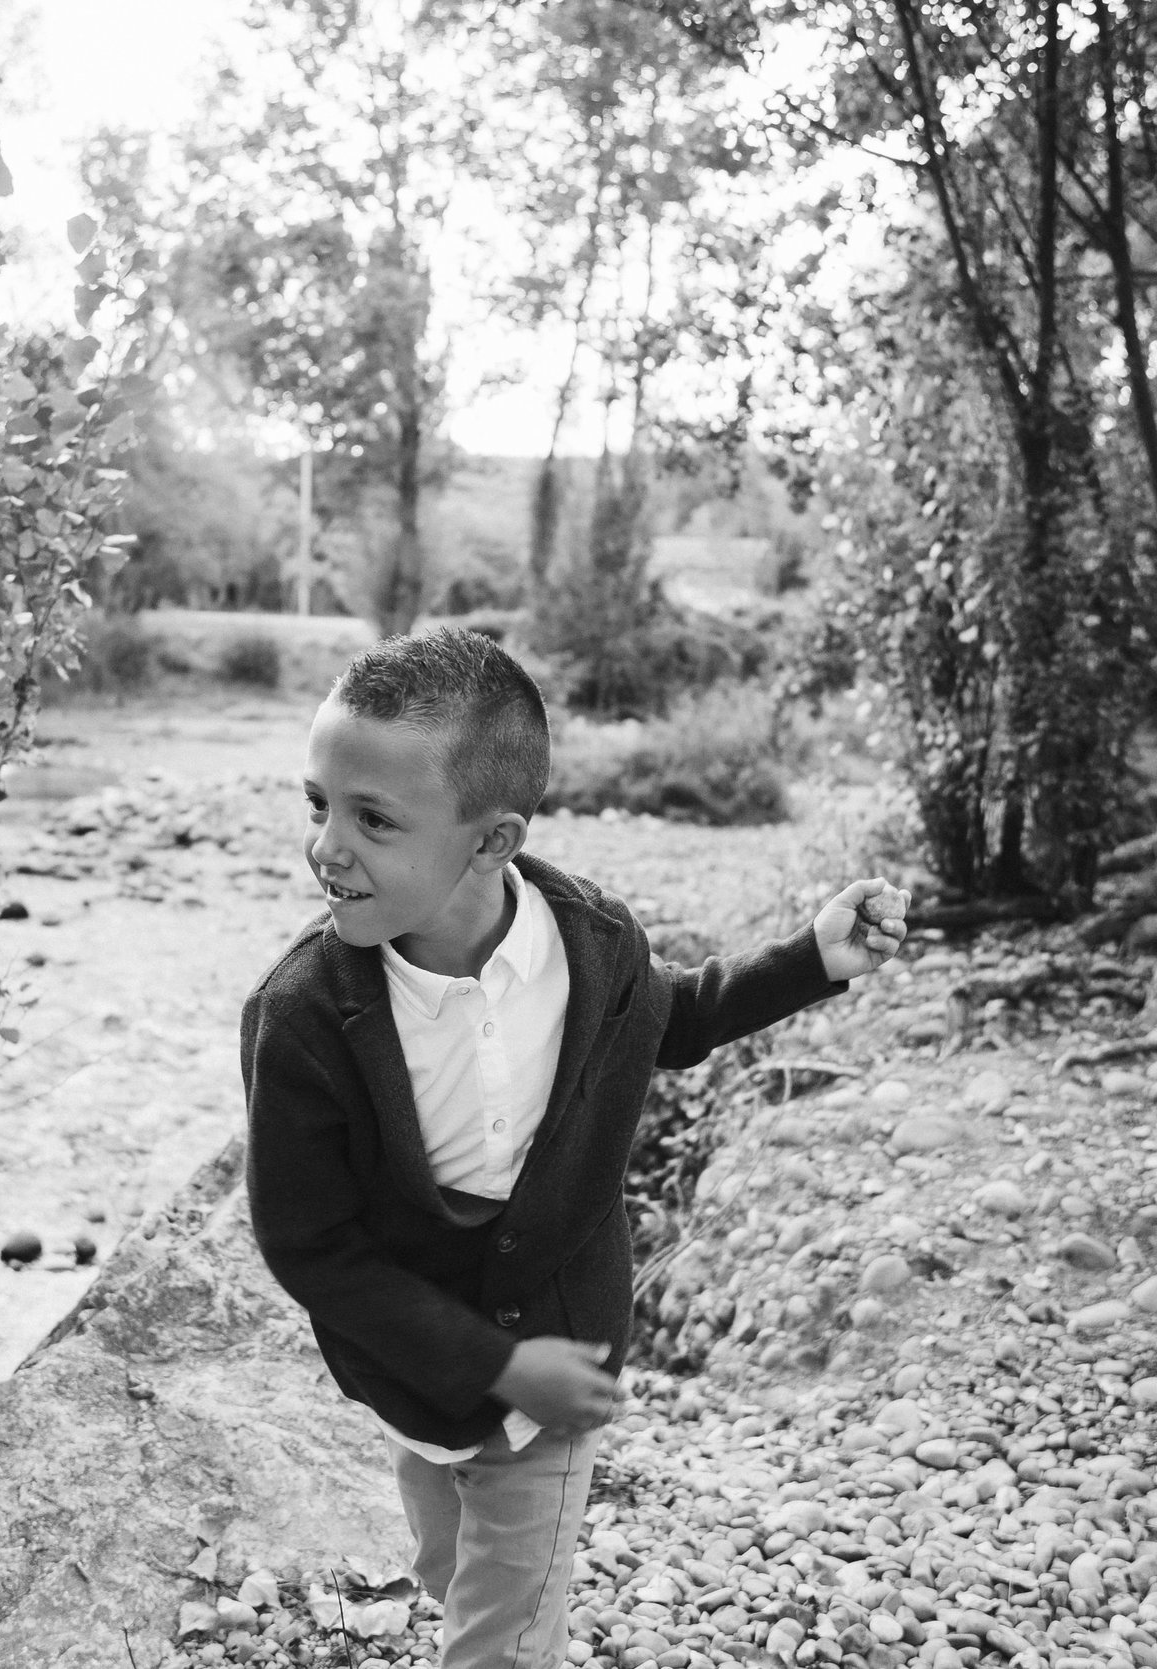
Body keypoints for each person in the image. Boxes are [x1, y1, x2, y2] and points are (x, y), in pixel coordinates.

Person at [240, 628, 910, 1669]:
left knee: (501, 1634)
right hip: (410, 1367)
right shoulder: (303, 1019)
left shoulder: (592, 946)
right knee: (446, 1562)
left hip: (559, 1348)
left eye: (372, 819)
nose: (328, 845)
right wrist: (481, 1363)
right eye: (317, 804)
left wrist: (810, 960)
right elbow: (310, 1244)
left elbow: (672, 1019)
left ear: (492, 839)